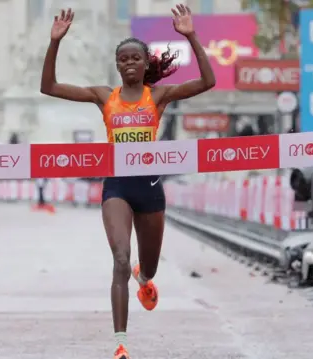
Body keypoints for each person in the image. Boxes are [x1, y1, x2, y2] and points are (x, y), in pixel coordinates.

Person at [40, 5, 215, 359]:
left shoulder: (159, 97)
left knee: (145, 268)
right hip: (117, 187)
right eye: (124, 59)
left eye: (136, 58)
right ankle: (120, 344)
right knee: (120, 258)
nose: (130, 63)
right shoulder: (106, 97)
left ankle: (145, 277)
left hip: (149, 189)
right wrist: (54, 42)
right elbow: (50, 87)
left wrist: (191, 36)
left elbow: (208, 82)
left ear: (146, 64)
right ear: (118, 66)